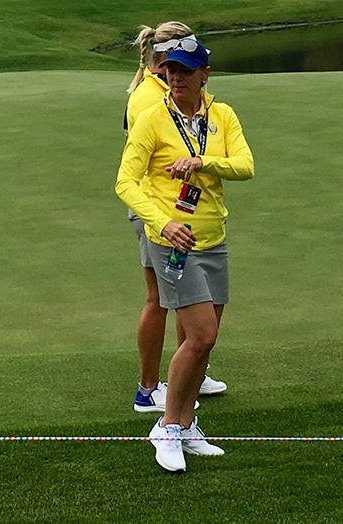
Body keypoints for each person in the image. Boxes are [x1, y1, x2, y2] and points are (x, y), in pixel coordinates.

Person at [115, 35, 254, 472]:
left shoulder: (222, 116)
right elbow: (126, 182)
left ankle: (187, 422)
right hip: (172, 239)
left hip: (214, 237)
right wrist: (162, 223)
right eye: (170, 70)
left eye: (185, 71)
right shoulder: (153, 119)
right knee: (201, 335)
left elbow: (246, 165)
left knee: (207, 340)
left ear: (204, 75)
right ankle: (168, 428)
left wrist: (203, 162)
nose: (175, 77)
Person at [124, 23, 227, 415]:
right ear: (164, 61)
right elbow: (140, 166)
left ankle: (191, 374)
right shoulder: (150, 99)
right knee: (162, 298)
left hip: (180, 211)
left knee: (179, 299)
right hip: (157, 213)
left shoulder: (165, 89)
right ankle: (150, 388)